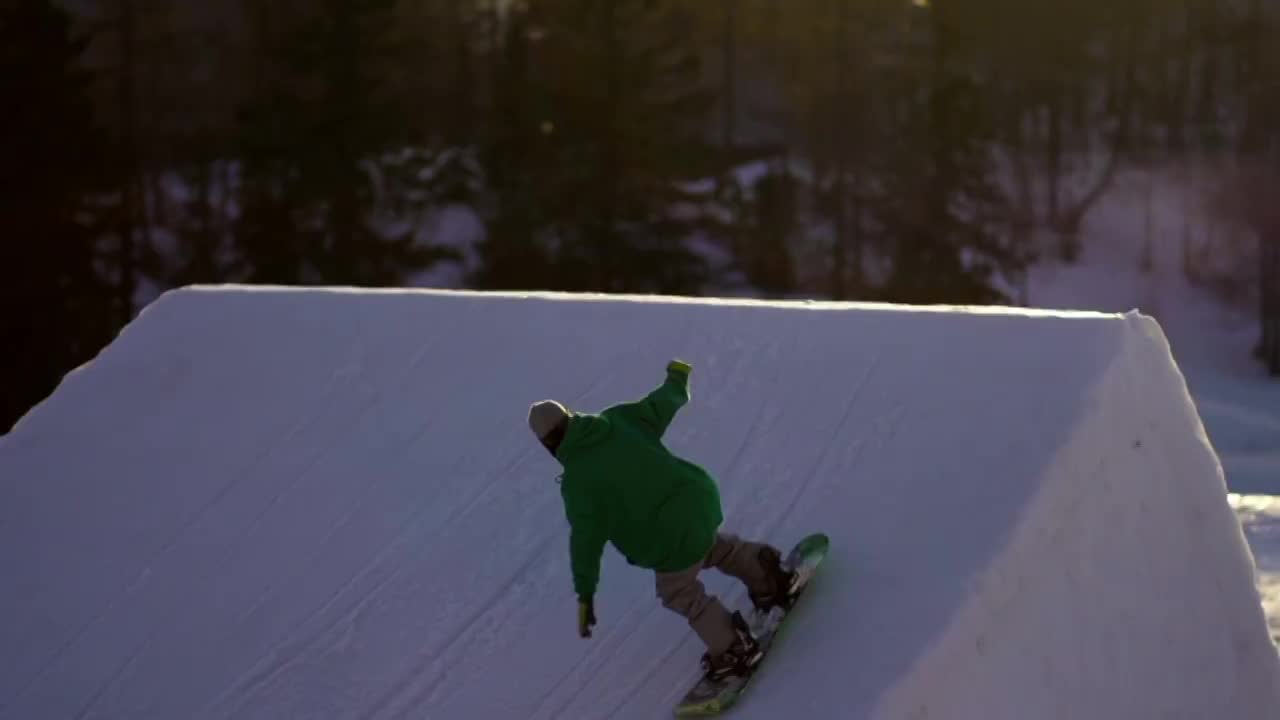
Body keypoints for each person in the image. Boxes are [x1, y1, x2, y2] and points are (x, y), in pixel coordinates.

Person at [527, 359, 800, 681]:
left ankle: (733, 647)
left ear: (547, 443)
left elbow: (586, 541)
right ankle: (770, 579)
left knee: (679, 591)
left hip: (667, 540)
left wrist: (585, 592)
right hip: (698, 502)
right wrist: (678, 377)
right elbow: (663, 404)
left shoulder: (577, 483)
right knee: (711, 547)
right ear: (570, 416)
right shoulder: (616, 420)